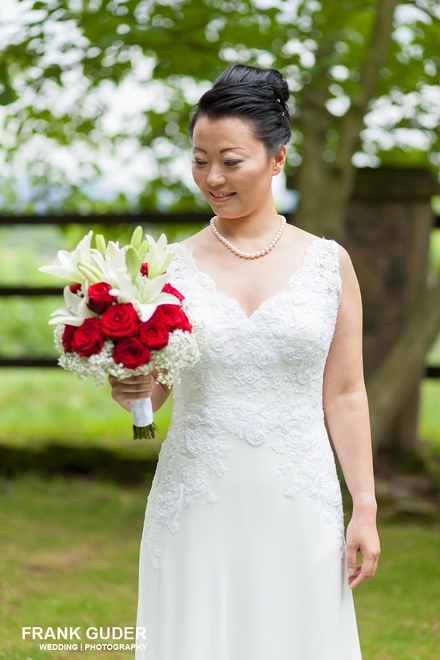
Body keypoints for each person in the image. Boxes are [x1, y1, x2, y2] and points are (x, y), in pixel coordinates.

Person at [109, 64, 380, 660]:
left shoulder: (328, 264)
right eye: (200, 159)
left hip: (298, 493)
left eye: (231, 161)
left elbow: (346, 394)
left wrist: (364, 503)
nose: (212, 177)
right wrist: (128, 383)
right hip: (197, 492)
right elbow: (149, 401)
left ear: (277, 158)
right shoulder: (165, 269)